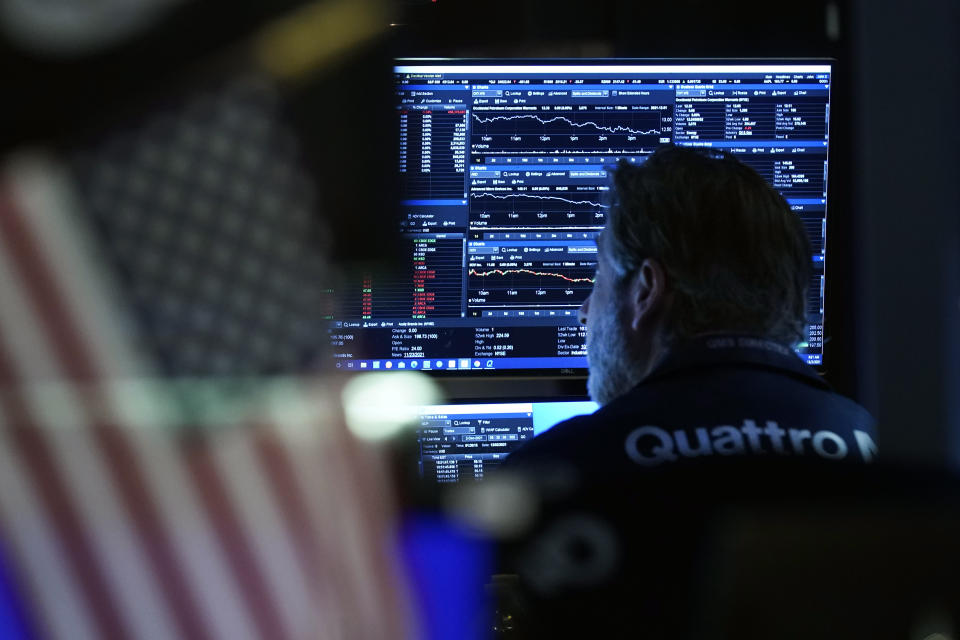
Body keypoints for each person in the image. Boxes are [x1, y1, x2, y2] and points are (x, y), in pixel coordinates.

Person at [504, 145, 876, 478]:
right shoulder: (870, 443)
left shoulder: (559, 469)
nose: (584, 312)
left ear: (647, 290)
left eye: (599, 278)